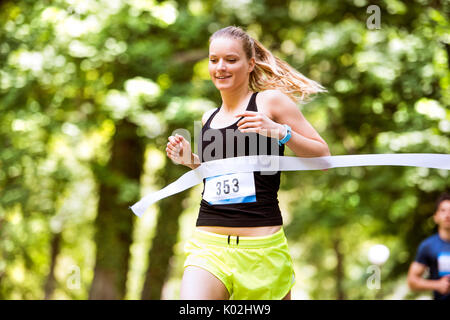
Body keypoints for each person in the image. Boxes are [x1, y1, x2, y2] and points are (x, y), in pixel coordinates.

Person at [165, 26, 330, 300]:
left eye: (231, 60)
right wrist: (191, 162)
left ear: (250, 64)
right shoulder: (209, 118)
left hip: (263, 250)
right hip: (209, 247)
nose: (220, 67)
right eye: (213, 59)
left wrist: (280, 132)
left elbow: (324, 159)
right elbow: (216, 178)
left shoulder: (270, 102)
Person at [407, 192, 450, 300]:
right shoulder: (428, 246)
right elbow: (412, 281)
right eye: (443, 210)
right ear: (435, 217)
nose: (447, 215)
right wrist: (437, 285)